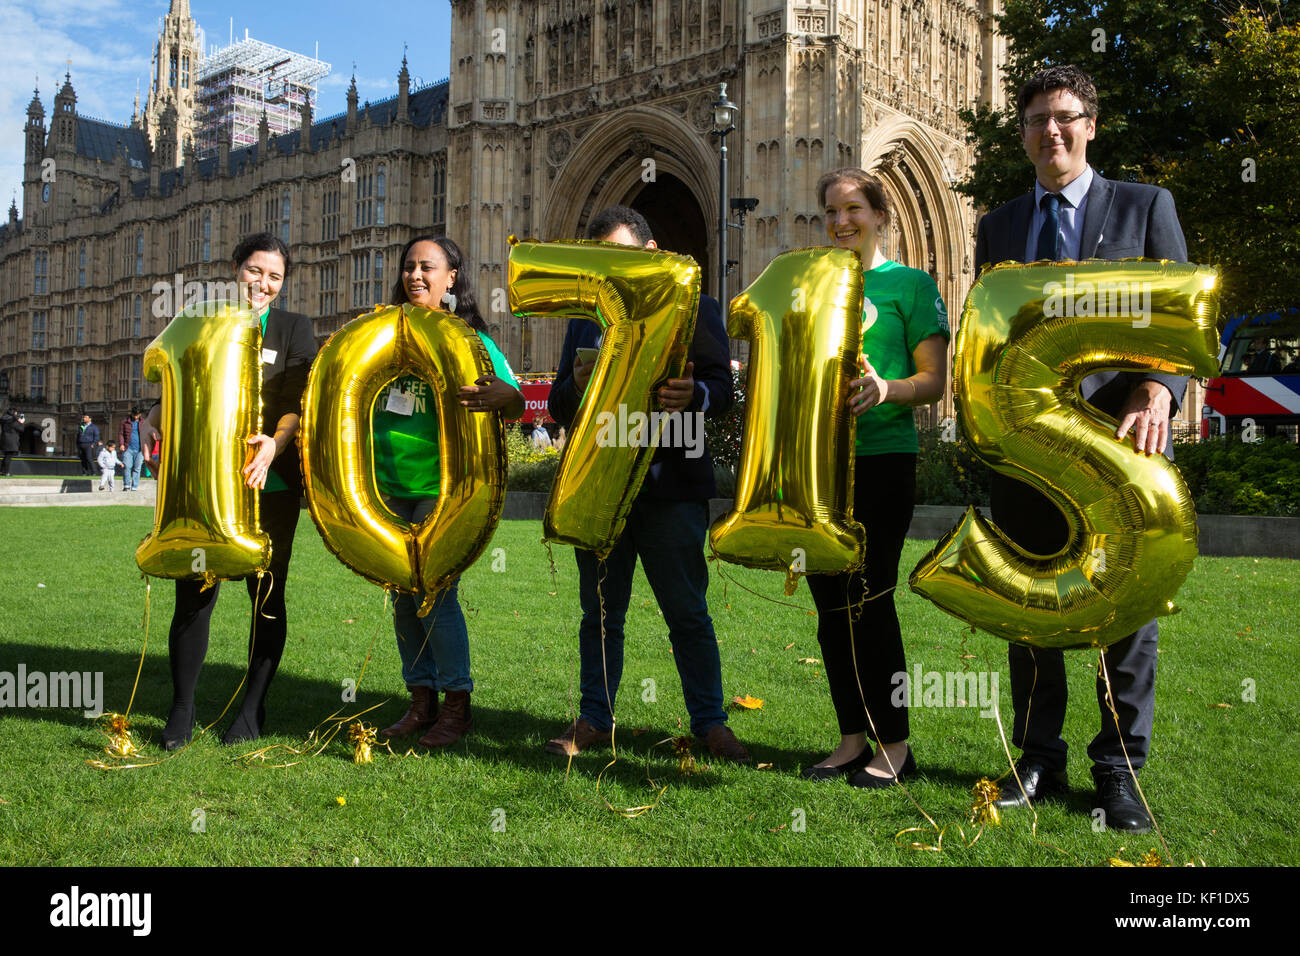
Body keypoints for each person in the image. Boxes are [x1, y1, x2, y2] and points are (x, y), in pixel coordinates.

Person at [973, 64, 1189, 833]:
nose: (1050, 132)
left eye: (1064, 117)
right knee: (1031, 606)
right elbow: (989, 337)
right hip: (1028, 456)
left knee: (1124, 612)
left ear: (1090, 125)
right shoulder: (998, 226)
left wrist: (1157, 392)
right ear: (1023, 131)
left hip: (1117, 448)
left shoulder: (1142, 207)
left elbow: (1179, 325)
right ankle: (1036, 756)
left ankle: (1120, 770)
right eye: (1035, 120)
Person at [544, 205, 749, 763]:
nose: (615, 269)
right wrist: (578, 385)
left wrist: (695, 396)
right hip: (602, 490)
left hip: (671, 485)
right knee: (602, 615)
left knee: (687, 612)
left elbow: (724, 391)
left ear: (652, 253)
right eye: (605, 261)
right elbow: (559, 404)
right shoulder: (587, 319)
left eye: (623, 255)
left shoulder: (698, 309)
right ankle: (594, 719)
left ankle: (710, 723)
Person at [801, 169, 950, 788]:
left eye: (854, 208)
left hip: (883, 460)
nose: (841, 222)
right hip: (817, 465)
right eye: (831, 212)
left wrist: (888, 388)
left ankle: (895, 746)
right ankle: (849, 739)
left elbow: (935, 382)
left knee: (871, 602)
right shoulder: (811, 283)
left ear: (880, 215)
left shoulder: (910, 287)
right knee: (830, 608)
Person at [149, 232, 318, 749]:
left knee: (265, 596)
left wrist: (275, 443)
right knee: (195, 592)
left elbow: (297, 398)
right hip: (208, 481)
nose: (263, 284)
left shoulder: (293, 329)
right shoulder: (204, 321)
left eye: (274, 277)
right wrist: (158, 413)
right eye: (254, 271)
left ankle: (251, 709)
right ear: (236, 269)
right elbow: (175, 379)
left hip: (272, 479)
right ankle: (182, 710)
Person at [375, 235, 524, 747]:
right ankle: (421, 702)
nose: (415, 275)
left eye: (428, 267)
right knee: (402, 597)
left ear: (451, 278)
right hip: (388, 486)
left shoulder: (471, 340)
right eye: (409, 267)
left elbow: (511, 400)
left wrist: (509, 396)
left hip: (442, 490)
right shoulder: (381, 335)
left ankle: (456, 706)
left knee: (436, 596)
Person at [118, 408, 145, 491]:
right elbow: (121, 434)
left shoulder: (143, 422)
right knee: (127, 466)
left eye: (137, 415)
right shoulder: (125, 422)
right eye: (134, 415)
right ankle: (126, 485)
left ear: (140, 414)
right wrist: (121, 444)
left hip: (140, 449)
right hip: (128, 448)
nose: (135, 417)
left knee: (137, 468)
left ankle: (134, 486)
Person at [1, 408, 24, 476]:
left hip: (4, 439)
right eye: (16, 413)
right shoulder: (13, 420)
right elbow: (21, 429)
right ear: (14, 413)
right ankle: (6, 472)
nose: (17, 414)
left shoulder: (4, 419)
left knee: (6, 456)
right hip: (11, 441)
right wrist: (21, 422)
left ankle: (2, 471)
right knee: (8, 457)